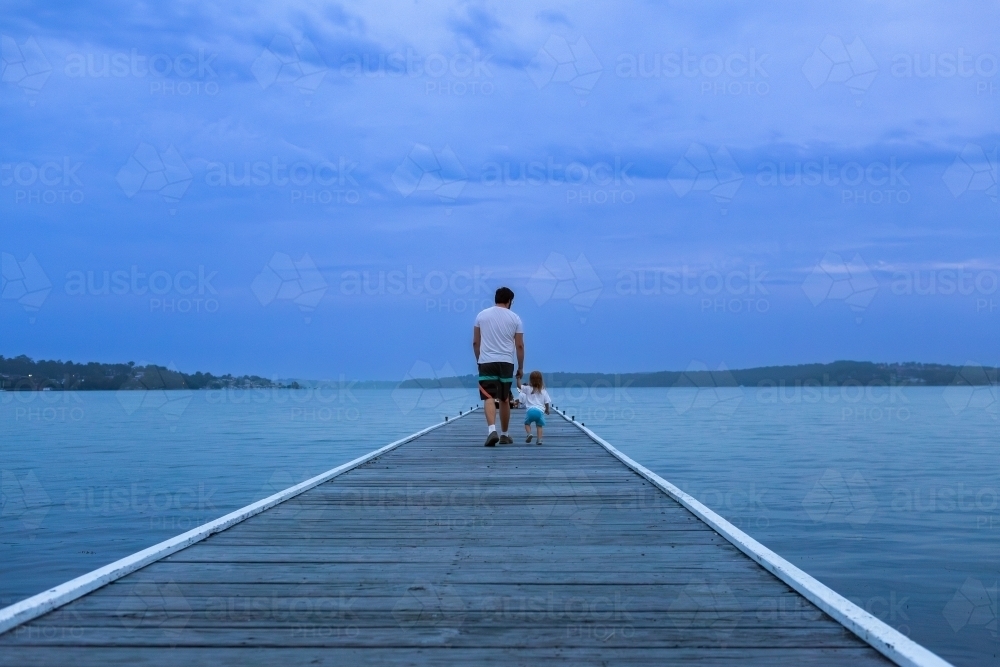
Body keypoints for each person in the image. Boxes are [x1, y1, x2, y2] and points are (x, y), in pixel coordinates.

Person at [472, 286, 524, 447]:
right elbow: (520, 346)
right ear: (509, 301)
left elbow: (475, 342)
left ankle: (491, 430)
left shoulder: (481, 316)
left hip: (486, 361)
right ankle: (505, 434)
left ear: (496, 299)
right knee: (504, 398)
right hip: (506, 362)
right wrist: (520, 368)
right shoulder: (515, 318)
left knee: (488, 396)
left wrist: (479, 360)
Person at [518, 371, 551, 445]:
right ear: (541, 380)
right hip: (540, 412)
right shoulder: (543, 391)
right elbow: (547, 402)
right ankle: (539, 440)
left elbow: (519, 386)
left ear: (530, 380)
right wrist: (547, 410)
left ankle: (529, 433)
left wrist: (518, 379)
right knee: (539, 426)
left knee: (527, 424)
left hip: (530, 411)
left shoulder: (527, 388)